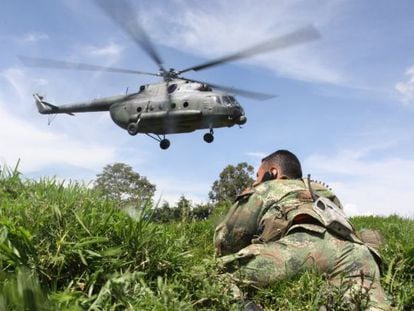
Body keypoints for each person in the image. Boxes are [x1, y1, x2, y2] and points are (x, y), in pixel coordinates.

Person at [214, 150, 392, 310]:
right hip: (357, 253)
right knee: (369, 303)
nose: (256, 180)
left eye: (259, 175)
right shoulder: (323, 191)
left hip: (304, 248)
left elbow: (225, 240)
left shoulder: (268, 188)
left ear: (273, 172)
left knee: (215, 274)